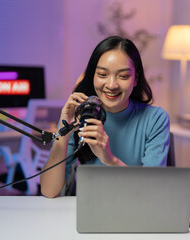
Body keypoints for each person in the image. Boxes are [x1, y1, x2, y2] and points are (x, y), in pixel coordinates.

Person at [40, 36, 170, 198]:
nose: (111, 85)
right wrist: (62, 130)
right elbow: (49, 191)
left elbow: (152, 193)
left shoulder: (155, 119)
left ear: (135, 79)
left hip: (135, 209)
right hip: (89, 210)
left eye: (123, 76)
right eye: (102, 74)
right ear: (92, 76)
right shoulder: (81, 116)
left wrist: (110, 159)